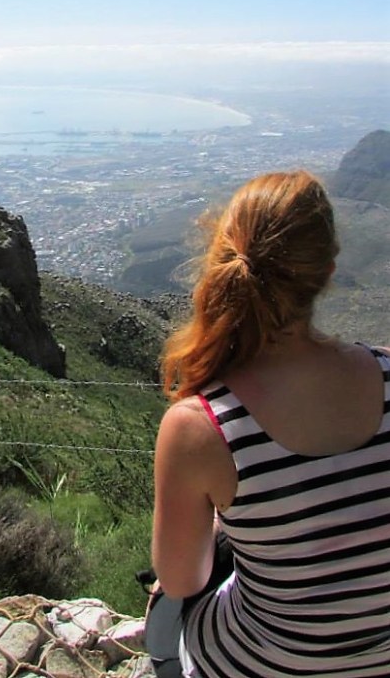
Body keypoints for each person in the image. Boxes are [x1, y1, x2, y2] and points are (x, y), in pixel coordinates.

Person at [151, 170, 390, 677]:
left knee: (169, 613)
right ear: (327, 271)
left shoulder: (199, 426)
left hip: (267, 665)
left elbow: (181, 581)